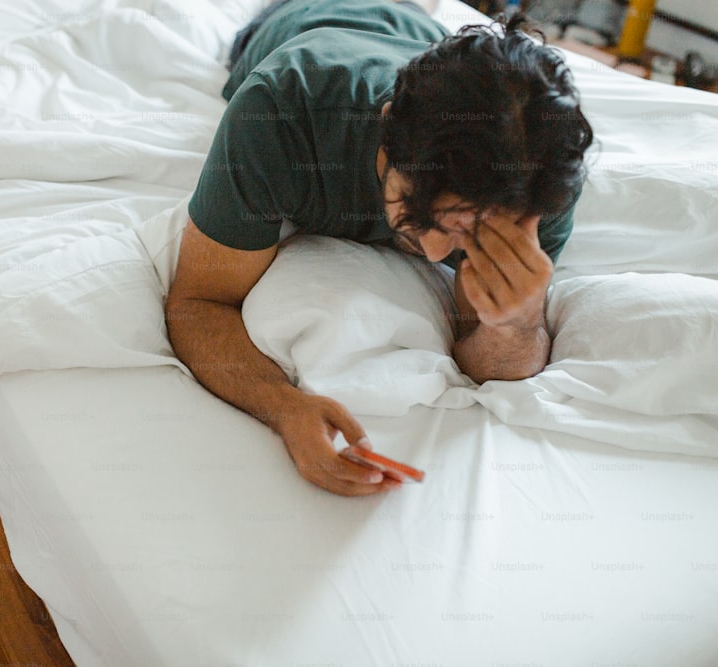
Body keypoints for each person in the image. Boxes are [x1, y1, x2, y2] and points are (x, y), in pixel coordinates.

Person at [165, 0, 594, 496]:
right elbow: (198, 303)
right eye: (422, 214)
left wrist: (514, 321)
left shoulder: (535, 175)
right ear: (388, 128)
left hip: (413, 29)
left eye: (470, 229)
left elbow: (497, 363)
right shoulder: (281, 109)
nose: (436, 257)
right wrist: (282, 406)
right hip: (302, 16)